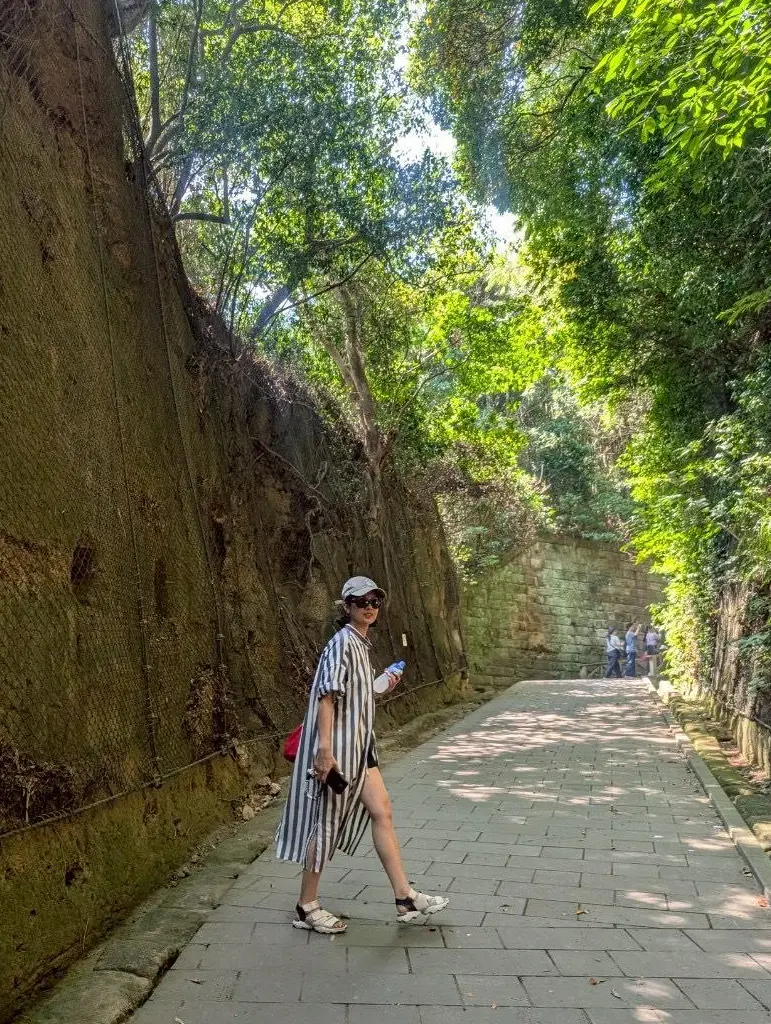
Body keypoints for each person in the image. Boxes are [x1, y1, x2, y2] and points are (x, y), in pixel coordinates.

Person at [275, 575, 449, 934]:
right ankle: (307, 906)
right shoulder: (342, 643)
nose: (369, 607)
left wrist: (380, 685)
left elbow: (356, 694)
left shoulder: (360, 644)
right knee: (325, 823)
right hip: (338, 749)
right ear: (347, 607)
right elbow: (327, 695)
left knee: (382, 811)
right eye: (362, 602)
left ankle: (404, 896)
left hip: (360, 748)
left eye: (375, 602)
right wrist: (324, 750)